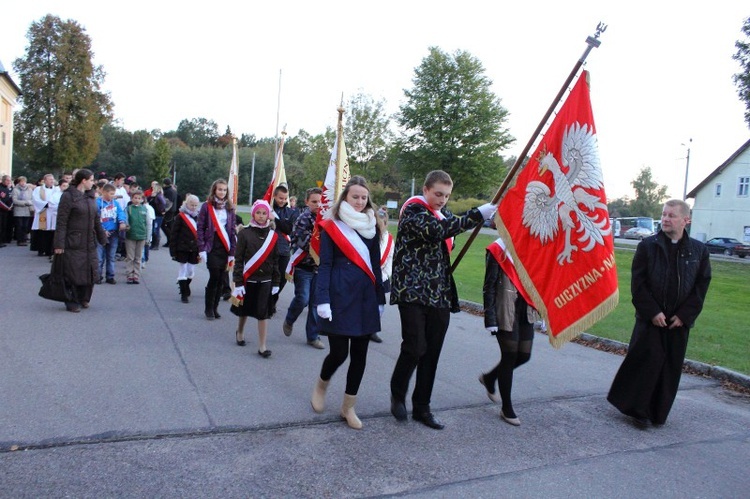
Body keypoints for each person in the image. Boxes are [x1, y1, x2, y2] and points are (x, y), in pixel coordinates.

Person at [389, 170, 496, 430]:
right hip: (412, 291)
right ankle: (397, 394)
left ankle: (422, 408)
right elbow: (437, 230)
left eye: (446, 195)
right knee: (415, 346)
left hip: (438, 292)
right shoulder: (413, 212)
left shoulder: (444, 214)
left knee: (432, 353)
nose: (442, 200)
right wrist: (476, 214)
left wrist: (477, 218)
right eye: (438, 194)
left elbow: (450, 227)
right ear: (425, 190)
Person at [607, 199, 712, 426]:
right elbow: (639, 284)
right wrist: (652, 311)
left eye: (671, 215)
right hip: (651, 318)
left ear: (686, 220)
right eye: (664, 214)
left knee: (669, 368)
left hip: (678, 322)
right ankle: (639, 411)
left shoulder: (698, 251)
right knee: (647, 362)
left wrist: (685, 315)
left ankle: (657, 412)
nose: (665, 219)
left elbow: (700, 287)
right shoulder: (648, 246)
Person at [311, 176, 386, 430]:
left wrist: (379, 298)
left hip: (365, 297)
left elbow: (375, 265)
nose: (360, 201)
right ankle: (322, 385)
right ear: (345, 197)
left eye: (364, 198)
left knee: (360, 356)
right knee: (340, 352)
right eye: (355, 196)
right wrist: (323, 300)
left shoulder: (372, 226)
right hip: (339, 296)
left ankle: (348, 407)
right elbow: (326, 265)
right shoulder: (333, 227)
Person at [479, 238, 540, 426]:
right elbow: (489, 286)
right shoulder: (498, 249)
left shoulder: (533, 247)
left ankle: (490, 377)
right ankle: (507, 408)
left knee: (524, 355)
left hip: (526, 308)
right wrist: (490, 318)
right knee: (510, 355)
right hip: (504, 309)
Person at [53, 169, 108, 312]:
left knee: (89, 270)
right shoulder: (68, 196)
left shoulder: (90, 197)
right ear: (83, 181)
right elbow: (61, 221)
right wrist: (59, 243)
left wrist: (102, 238)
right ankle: (71, 300)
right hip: (73, 240)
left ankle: (84, 298)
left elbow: (96, 220)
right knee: (73, 271)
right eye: (91, 180)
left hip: (89, 240)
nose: (93, 182)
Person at [231, 200, 281, 357]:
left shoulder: (273, 236)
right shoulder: (244, 233)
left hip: (265, 280)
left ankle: (262, 346)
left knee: (263, 313)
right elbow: (238, 260)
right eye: (258, 212)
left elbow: (275, 260)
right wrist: (238, 282)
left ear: (268, 215)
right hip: (248, 279)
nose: (261, 216)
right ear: (253, 214)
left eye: (264, 213)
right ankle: (240, 331)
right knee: (244, 310)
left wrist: (276, 281)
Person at [282, 187, 325, 349]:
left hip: (319, 269)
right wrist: (323, 245)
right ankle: (290, 318)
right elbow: (303, 241)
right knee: (303, 298)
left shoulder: (327, 219)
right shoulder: (303, 219)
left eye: (321, 201)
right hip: (304, 267)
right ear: (307, 202)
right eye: (314, 201)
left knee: (315, 303)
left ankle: (313, 336)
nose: (318, 204)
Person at [197, 179, 236, 320]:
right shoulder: (206, 207)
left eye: (224, 190)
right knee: (214, 277)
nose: (222, 192)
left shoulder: (230, 208)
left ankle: (215, 308)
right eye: (219, 189)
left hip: (225, 247)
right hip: (211, 246)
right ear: (214, 190)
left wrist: (232, 252)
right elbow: (200, 227)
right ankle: (208, 308)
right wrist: (201, 248)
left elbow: (232, 230)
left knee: (221, 279)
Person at [169, 194, 201, 303]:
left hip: (194, 248)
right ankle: (183, 293)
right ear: (186, 204)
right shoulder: (180, 216)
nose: (193, 207)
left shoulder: (198, 217)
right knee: (183, 269)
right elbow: (174, 234)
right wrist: (173, 250)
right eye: (191, 205)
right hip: (182, 247)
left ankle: (186, 285)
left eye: (196, 205)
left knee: (191, 270)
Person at [270, 184, 298, 310]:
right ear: (274, 196)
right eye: (280, 198)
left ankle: (273, 299)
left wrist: (275, 220)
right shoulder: (268, 208)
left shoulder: (291, 212)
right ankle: (268, 301)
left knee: (282, 278)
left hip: (284, 249)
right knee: (270, 277)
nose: (282, 201)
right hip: (269, 249)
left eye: (285, 198)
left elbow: (288, 229)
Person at [96, 183, 128, 285]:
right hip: (101, 233)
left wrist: (122, 222)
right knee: (99, 257)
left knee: (111, 256)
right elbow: (95, 218)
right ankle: (98, 276)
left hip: (113, 233)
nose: (113, 196)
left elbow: (120, 213)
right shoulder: (97, 203)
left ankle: (110, 276)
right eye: (111, 193)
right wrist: (102, 230)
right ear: (104, 192)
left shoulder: (115, 203)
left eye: (114, 194)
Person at [371, 207, 394, 344]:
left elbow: (390, 258)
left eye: (383, 223)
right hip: (365, 276)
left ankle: (372, 330)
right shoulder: (368, 235)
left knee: (379, 306)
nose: (381, 225)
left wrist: (385, 275)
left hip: (381, 277)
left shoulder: (389, 239)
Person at [124, 190, 149, 284]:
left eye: (139, 198)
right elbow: (125, 219)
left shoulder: (145, 209)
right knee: (130, 256)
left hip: (141, 235)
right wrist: (126, 226)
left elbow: (148, 223)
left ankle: (136, 275)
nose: (137, 200)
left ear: (142, 199)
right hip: (130, 235)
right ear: (131, 198)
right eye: (135, 198)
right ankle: (130, 274)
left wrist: (148, 237)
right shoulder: (128, 208)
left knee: (138, 257)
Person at [30, 174, 58, 257]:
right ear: (45, 181)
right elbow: (35, 199)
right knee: (42, 232)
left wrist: (54, 206)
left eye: (53, 179)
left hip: (53, 213)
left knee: (51, 231)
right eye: (50, 179)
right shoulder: (38, 189)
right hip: (43, 211)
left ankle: (50, 250)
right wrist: (47, 204)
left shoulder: (56, 190)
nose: (52, 181)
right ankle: (41, 249)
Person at [11, 176, 34, 246]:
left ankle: (24, 239)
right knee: (19, 225)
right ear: (19, 182)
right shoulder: (15, 190)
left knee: (25, 226)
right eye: (21, 181)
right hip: (18, 210)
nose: (23, 183)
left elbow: (32, 199)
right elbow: (14, 200)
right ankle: (19, 240)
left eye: (24, 181)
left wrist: (29, 202)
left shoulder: (29, 190)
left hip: (27, 210)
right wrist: (25, 202)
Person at [148, 181, 167, 250]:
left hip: (158, 215)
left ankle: (156, 244)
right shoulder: (154, 196)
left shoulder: (159, 196)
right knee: (153, 229)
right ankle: (153, 244)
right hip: (154, 215)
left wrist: (162, 211)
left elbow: (163, 203)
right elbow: (148, 200)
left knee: (155, 230)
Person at [161, 177, 178, 247]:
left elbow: (169, 202)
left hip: (169, 211)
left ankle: (170, 240)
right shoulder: (173, 190)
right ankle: (171, 240)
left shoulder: (168, 191)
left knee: (164, 225)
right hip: (172, 210)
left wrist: (164, 210)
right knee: (170, 226)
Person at [0, 175, 13, 246]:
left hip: (5, 211)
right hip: (1, 209)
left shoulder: (7, 189)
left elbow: (9, 199)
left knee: (4, 225)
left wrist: (10, 206)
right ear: (3, 180)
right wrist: (6, 207)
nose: (9, 182)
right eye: (7, 180)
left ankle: (2, 240)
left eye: (9, 180)